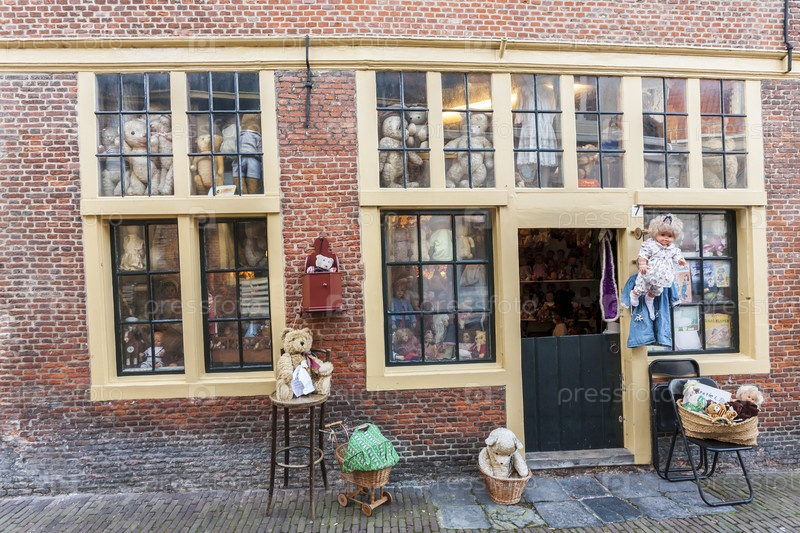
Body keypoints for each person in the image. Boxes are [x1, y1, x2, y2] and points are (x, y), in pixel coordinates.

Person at [631, 213, 687, 319]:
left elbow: (676, 255)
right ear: (655, 233)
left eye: (669, 236)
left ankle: (649, 299)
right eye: (662, 235)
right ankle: (634, 294)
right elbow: (643, 254)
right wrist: (643, 264)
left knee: (657, 290)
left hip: (663, 276)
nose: (666, 238)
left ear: (674, 237)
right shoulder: (650, 244)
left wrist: (680, 260)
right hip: (649, 272)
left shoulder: (672, 248)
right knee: (642, 286)